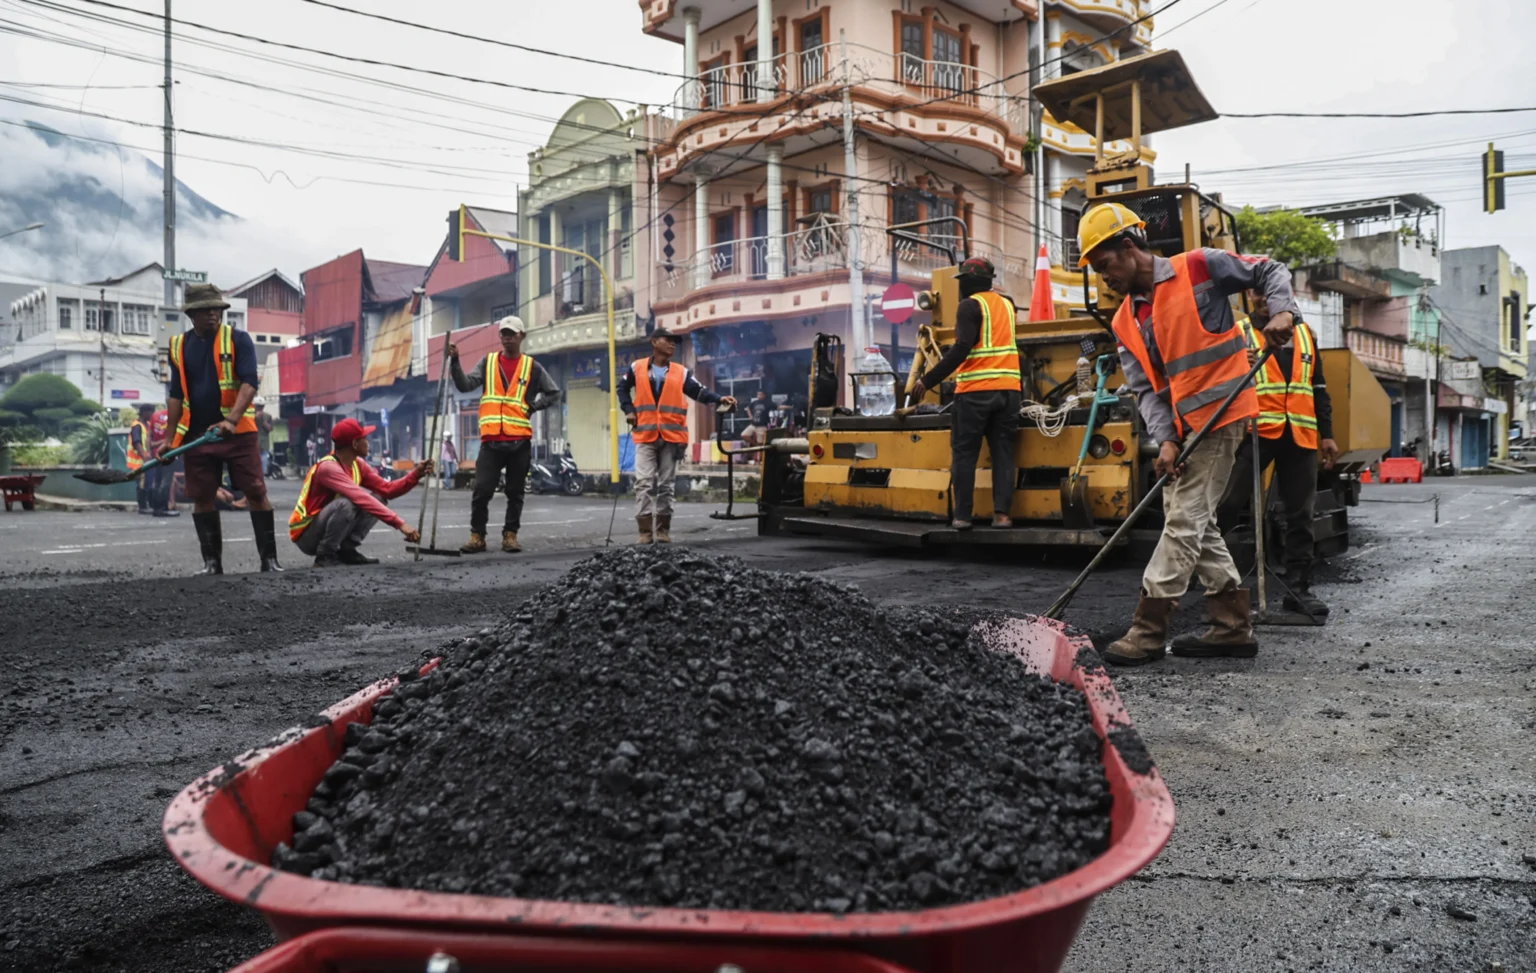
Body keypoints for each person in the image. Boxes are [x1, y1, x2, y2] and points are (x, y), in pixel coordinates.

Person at [1078, 201, 1300, 666]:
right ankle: (1232, 625)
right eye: (1096, 271)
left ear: (1128, 246)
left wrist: (1282, 311)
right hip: (1187, 430)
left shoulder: (1198, 266)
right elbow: (1147, 392)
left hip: (1225, 414)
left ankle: (1148, 629)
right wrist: (1168, 441)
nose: (1104, 278)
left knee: (1182, 521)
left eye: (1105, 265)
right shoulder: (1123, 321)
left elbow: (1270, 269)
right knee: (1196, 520)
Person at [159, 283, 283, 574]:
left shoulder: (238, 340)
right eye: (205, 310)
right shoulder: (178, 346)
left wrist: (231, 420)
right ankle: (212, 563)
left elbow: (250, 382)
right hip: (198, 435)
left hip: (237, 432)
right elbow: (176, 395)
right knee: (201, 496)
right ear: (192, 314)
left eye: (217, 309)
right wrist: (169, 439)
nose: (213, 314)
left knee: (255, 492)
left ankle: (269, 560)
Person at [1228, 294, 1338, 616]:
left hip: (1300, 435)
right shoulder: (1239, 333)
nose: (1265, 299)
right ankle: (1214, 585)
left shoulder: (1304, 334)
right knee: (1228, 505)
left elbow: (1318, 387)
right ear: (1250, 295)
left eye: (1271, 292)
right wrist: (1235, 366)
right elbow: (1217, 382)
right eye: (1258, 292)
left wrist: (1327, 434)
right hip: (1256, 432)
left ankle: (1298, 590)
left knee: (1300, 516)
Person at [909, 257, 1023, 529]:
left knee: (965, 454)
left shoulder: (969, 306)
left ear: (968, 282)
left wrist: (927, 380)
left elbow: (961, 348)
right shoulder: (1008, 305)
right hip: (1009, 391)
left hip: (976, 392)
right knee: (1003, 454)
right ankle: (1002, 515)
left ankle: (962, 516)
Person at [449, 315, 561, 554]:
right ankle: (477, 536)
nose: (507, 338)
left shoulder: (533, 367)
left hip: (519, 442)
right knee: (481, 491)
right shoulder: (488, 363)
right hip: (491, 442)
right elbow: (465, 385)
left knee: (515, 492)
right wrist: (455, 363)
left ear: (522, 336)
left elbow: (553, 394)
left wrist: (533, 407)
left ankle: (510, 536)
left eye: (512, 334)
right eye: (504, 334)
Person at [617, 327, 736, 544]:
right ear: (654, 342)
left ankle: (662, 531)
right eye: (667, 340)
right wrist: (629, 410)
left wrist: (719, 399)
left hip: (671, 438)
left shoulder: (681, 372)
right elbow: (621, 388)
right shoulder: (637, 368)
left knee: (666, 485)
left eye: (674, 342)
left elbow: (699, 391)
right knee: (643, 483)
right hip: (645, 436)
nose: (672, 344)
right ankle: (645, 533)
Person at [289, 418, 429, 567]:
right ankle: (325, 555)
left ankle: (347, 550)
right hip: (306, 535)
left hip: (324, 526)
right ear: (355, 444)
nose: (368, 442)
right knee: (346, 504)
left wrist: (416, 475)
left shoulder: (358, 464)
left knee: (379, 497)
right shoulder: (328, 468)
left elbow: (388, 490)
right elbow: (360, 497)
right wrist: (400, 524)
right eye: (365, 438)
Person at [146, 404, 178, 518]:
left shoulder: (155, 416)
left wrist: (149, 451)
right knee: (166, 481)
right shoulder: (176, 416)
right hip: (169, 453)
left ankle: (155, 507)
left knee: (157, 481)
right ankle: (162, 508)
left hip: (156, 454)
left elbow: (149, 437)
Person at [128, 403, 155, 514]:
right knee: (142, 484)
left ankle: (146, 505)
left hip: (144, 460)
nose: (152, 415)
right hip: (139, 461)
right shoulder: (137, 425)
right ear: (145, 413)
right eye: (151, 413)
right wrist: (144, 456)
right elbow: (136, 442)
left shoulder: (146, 425)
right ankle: (142, 506)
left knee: (146, 483)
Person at [253, 397, 275, 476]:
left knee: (264, 457)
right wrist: (255, 417)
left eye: (261, 406)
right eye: (258, 406)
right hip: (253, 440)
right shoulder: (250, 415)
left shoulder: (267, 416)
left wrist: (262, 420)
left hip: (264, 442)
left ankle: (262, 474)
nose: (259, 408)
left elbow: (269, 429)